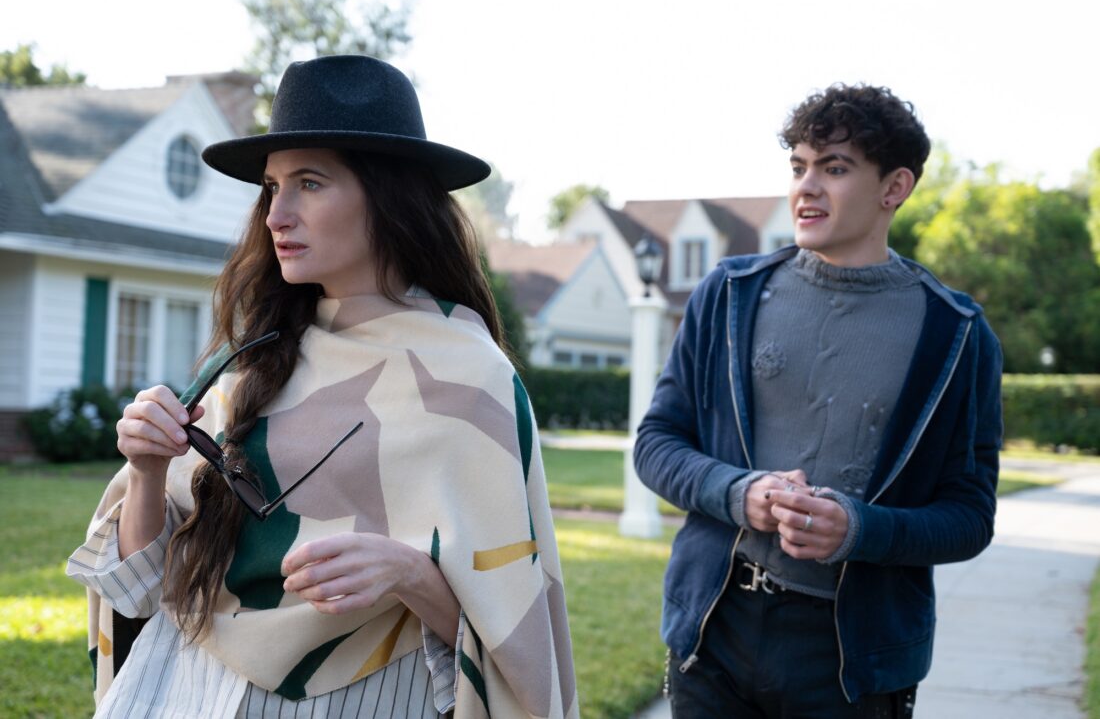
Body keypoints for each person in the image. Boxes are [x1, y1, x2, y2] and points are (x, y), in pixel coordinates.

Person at [68, 55, 578, 719]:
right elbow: (138, 591)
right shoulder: (250, 359)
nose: (277, 213)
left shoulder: (469, 380)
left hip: (358, 698)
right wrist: (145, 470)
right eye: (272, 187)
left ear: (390, 195)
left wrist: (410, 575)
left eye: (309, 183)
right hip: (185, 688)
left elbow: (514, 651)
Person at [633, 84, 1003, 718]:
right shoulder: (727, 296)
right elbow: (657, 443)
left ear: (895, 188)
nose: (807, 186)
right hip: (713, 634)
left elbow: (969, 516)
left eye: (834, 169)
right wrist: (739, 492)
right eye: (799, 166)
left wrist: (858, 529)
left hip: (852, 661)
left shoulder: (958, 335)